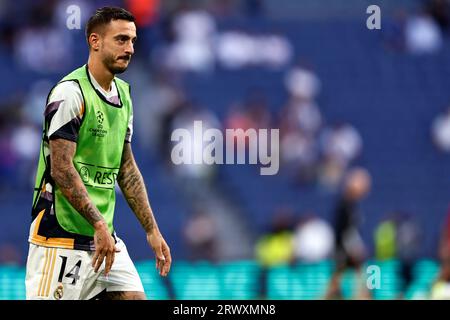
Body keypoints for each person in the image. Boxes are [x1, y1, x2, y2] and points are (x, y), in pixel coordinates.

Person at [25, 7, 171, 300]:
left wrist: (151, 230)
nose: (129, 48)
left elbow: (126, 168)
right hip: (60, 237)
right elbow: (62, 169)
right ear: (95, 41)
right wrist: (99, 224)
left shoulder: (125, 96)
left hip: (104, 239)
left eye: (132, 40)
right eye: (120, 39)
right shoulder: (70, 93)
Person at [325, 167, 372, 300]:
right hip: (343, 249)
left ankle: (362, 296)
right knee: (357, 275)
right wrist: (355, 249)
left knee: (340, 279)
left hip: (344, 248)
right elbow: (346, 231)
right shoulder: (345, 205)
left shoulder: (350, 205)